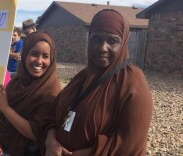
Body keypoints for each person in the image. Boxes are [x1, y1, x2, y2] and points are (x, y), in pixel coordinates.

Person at [44, 9, 153, 156]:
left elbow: (128, 145)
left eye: (112, 41)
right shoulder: (81, 77)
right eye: (96, 39)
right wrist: (51, 142)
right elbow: (51, 116)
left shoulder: (132, 83)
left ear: (124, 43)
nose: (102, 48)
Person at [0, 31, 61, 156]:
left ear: (51, 59)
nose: (39, 61)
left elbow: (35, 132)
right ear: (25, 55)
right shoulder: (16, 82)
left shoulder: (50, 91)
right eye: (34, 54)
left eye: (45, 56)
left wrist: (5, 107)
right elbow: (5, 112)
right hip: (7, 149)